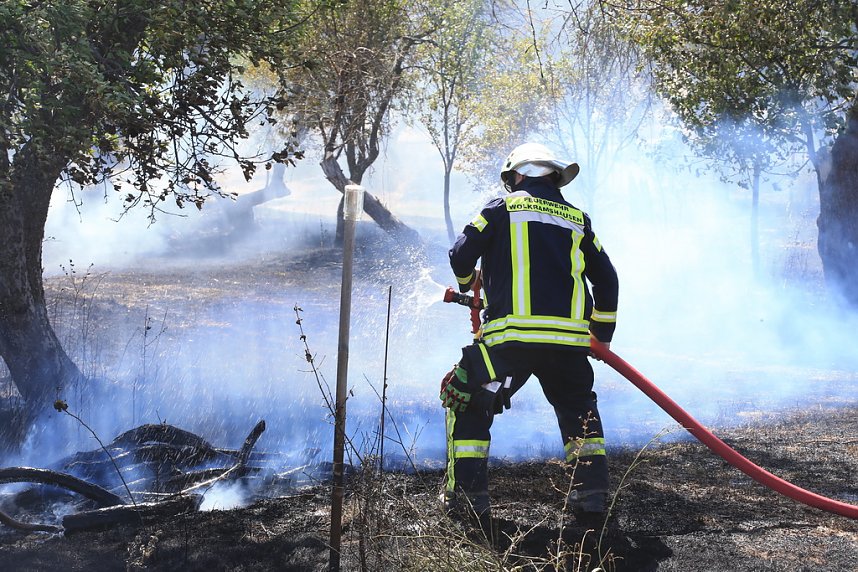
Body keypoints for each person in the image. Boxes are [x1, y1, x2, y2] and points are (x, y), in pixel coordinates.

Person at [441, 142, 619, 532]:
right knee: (580, 417)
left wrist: (471, 284)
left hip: (510, 345)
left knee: (469, 404)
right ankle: (591, 502)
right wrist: (601, 335)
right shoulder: (578, 219)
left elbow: (460, 255)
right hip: (569, 347)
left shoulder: (501, 208)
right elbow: (607, 279)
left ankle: (470, 506)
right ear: (554, 178)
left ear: (516, 175)